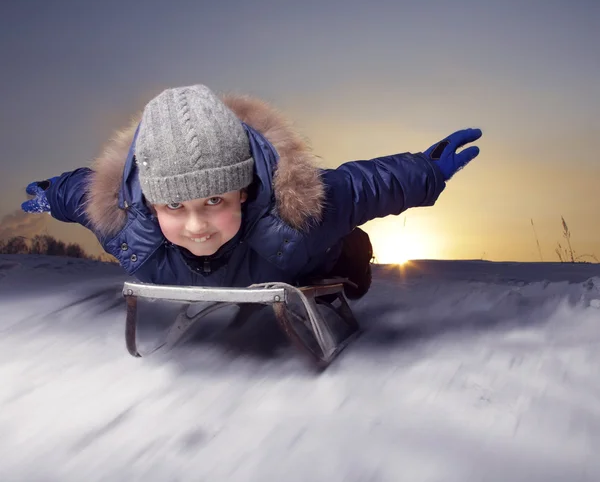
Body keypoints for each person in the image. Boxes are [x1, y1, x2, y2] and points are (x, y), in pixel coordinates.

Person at [21, 84, 482, 299]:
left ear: (244, 191)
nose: (196, 226)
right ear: (147, 202)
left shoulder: (299, 215)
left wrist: (427, 170)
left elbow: (365, 186)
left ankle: (354, 251)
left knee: (342, 249)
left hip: (303, 258)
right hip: (248, 264)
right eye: (175, 206)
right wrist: (49, 192)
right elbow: (79, 193)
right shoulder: (127, 229)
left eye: (215, 201)